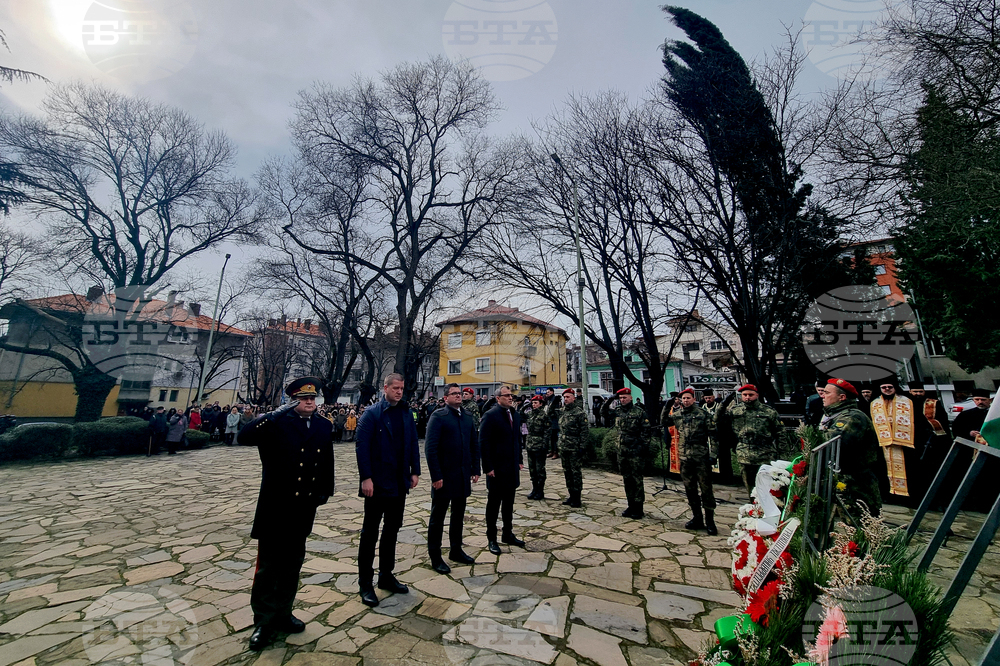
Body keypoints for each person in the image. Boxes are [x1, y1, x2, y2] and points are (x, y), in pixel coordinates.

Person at [239, 377, 335, 652]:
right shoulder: (276, 424)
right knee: (268, 567)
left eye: (312, 398)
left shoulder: (322, 426)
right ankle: (264, 621)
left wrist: (324, 491)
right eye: (302, 398)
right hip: (275, 505)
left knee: (293, 563)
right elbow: (244, 437)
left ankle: (284, 612)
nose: (309, 402)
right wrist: (271, 414)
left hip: (302, 508)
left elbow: (326, 460)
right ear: (292, 400)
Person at [355, 373, 421, 608]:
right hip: (377, 484)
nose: (399, 392)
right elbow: (362, 447)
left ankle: (386, 575)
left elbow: (413, 442)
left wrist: (415, 471)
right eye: (395, 388)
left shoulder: (405, 412)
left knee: (392, 530)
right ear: (385, 388)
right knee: (370, 533)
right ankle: (365, 583)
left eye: (402, 388)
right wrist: (366, 478)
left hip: (398, 483)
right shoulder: (372, 414)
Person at [424, 383, 480, 574]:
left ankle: (456, 549)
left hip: (462, 474)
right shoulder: (438, 417)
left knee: (458, 515)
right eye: (454, 393)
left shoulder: (467, 416)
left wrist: (475, 468)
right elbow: (430, 449)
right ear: (446, 397)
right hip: (444, 476)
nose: (458, 396)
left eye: (459, 393)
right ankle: (435, 555)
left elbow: (474, 443)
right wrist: (436, 475)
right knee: (437, 518)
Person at [818, 378, 882, 516]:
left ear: (842, 397)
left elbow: (830, 441)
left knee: (860, 528)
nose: (822, 396)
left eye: (827, 393)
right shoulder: (835, 415)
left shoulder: (853, 417)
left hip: (857, 486)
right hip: (845, 482)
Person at [663, 388, 717, 534]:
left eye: (688, 398)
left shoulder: (702, 414)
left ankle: (710, 521)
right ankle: (697, 518)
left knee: (706, 490)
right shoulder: (678, 414)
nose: (685, 401)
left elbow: (713, 434)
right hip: (685, 458)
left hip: (701, 457)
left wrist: (713, 454)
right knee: (690, 489)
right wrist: (667, 406)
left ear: (694, 399)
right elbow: (664, 421)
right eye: (683, 399)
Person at [480, 385, 526, 555]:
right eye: (506, 395)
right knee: (493, 504)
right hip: (496, 468)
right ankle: (491, 537)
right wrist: (488, 467)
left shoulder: (515, 414)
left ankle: (508, 533)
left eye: (511, 395)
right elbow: (484, 443)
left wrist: (519, 460)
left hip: (511, 467)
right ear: (498, 398)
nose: (510, 398)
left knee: (508, 504)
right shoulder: (490, 415)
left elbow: (517, 440)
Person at [716, 384, 783, 498]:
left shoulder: (768, 412)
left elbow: (780, 433)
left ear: (757, 395)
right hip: (745, 454)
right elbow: (717, 419)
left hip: (765, 453)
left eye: (750, 395)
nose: (747, 397)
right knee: (750, 489)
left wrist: (782, 455)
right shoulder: (736, 411)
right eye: (744, 395)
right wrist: (724, 403)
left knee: (768, 488)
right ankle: (753, 510)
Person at [603, 387, 650, 518]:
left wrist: (642, 448)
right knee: (627, 480)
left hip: (635, 451)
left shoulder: (639, 412)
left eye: (625, 397)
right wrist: (610, 400)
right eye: (621, 398)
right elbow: (604, 413)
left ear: (630, 398)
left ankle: (639, 508)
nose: (622, 400)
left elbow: (646, 432)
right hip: (622, 451)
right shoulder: (618, 411)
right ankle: (630, 506)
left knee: (637, 480)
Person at [870, 378, 919, 502]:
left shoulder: (908, 401)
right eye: (884, 387)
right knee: (884, 471)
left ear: (895, 387)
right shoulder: (874, 403)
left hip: (905, 445)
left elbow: (918, 421)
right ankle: (889, 497)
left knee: (910, 472)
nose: (887, 389)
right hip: (883, 444)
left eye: (889, 387)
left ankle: (909, 498)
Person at [558, 388, 588, 508]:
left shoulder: (579, 413)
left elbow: (584, 431)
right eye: (564, 397)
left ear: (574, 398)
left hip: (574, 447)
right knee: (567, 472)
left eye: (568, 397)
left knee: (575, 473)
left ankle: (577, 497)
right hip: (564, 447)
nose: (566, 399)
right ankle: (571, 494)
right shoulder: (562, 411)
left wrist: (582, 446)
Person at [525, 395, 550, 500]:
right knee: (532, 469)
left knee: (540, 470)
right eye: (533, 403)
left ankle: (540, 491)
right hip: (530, 445)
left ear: (541, 403)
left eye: (536, 403)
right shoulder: (530, 414)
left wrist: (544, 445)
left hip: (539, 445)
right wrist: (525, 406)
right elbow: (521, 414)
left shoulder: (544, 416)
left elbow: (547, 431)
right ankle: (534, 489)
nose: (533, 405)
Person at [545, 388, 560, 459]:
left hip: (554, 422)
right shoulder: (549, 400)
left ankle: (556, 452)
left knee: (554, 438)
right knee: (551, 438)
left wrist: (550, 414)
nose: (547, 393)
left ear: (552, 392)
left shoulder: (555, 400)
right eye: (547, 392)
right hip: (550, 421)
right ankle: (552, 451)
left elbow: (556, 411)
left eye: (548, 392)